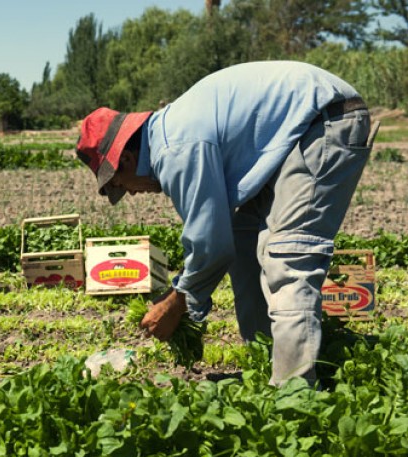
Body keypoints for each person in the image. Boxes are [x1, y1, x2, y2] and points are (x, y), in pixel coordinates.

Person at [75, 61, 378, 385]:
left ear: (127, 159)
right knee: (244, 239)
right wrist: (186, 295)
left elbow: (211, 246)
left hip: (323, 122)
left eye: (120, 184)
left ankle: (293, 395)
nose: (131, 193)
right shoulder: (170, 135)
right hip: (292, 136)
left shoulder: (174, 149)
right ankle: (266, 361)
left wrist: (177, 302)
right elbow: (219, 236)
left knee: (288, 257)